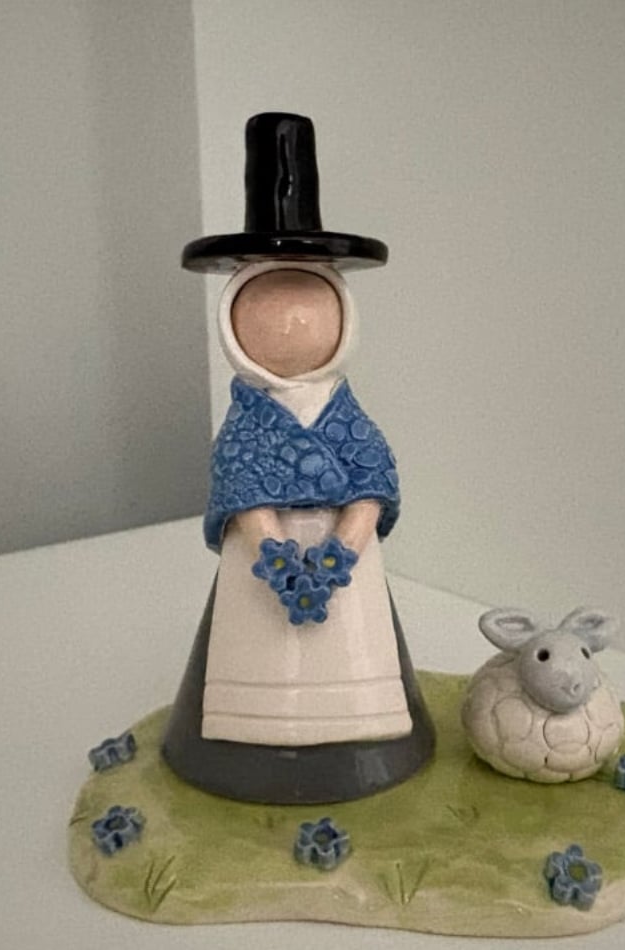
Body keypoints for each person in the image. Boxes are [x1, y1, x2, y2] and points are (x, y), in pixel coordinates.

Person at [162, 113, 434, 803]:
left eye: (309, 302)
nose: (289, 324)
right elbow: (242, 490)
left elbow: (369, 480)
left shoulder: (347, 417)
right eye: (266, 304)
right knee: (253, 648)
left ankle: (364, 739)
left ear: (341, 312)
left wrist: (344, 548)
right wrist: (273, 552)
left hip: (345, 562)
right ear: (231, 316)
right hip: (262, 565)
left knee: (357, 659)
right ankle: (247, 742)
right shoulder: (246, 424)